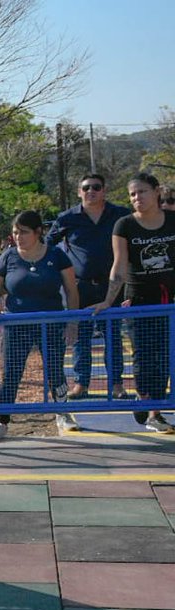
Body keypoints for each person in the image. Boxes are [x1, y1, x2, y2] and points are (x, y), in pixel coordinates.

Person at [0, 211, 79, 443]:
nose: (18, 236)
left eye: (24, 232)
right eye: (15, 232)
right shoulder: (8, 256)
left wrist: (72, 322)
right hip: (17, 325)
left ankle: (62, 413)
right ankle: (1, 421)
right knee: (12, 374)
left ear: (38, 232)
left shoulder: (56, 256)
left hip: (51, 324)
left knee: (55, 371)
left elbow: (71, 291)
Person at [92, 172, 175, 433]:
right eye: (132, 194)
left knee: (164, 355)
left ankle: (155, 410)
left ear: (156, 192)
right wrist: (108, 300)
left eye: (142, 191)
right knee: (144, 354)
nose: (137, 197)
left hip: (169, 300)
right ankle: (146, 400)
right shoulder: (124, 225)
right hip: (139, 300)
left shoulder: (172, 220)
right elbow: (118, 267)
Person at [47, 174, 131, 400]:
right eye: (86, 188)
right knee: (80, 337)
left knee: (112, 337)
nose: (91, 191)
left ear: (104, 190)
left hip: (111, 287)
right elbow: (47, 245)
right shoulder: (67, 218)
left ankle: (116, 385)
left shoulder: (121, 215)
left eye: (96, 187)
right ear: (79, 191)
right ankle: (81, 384)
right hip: (80, 287)